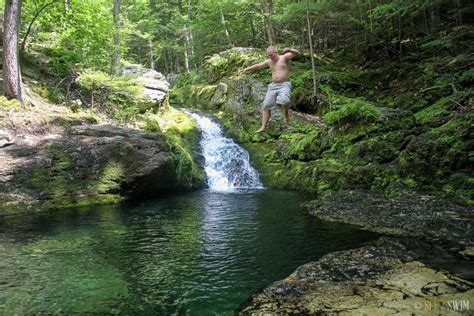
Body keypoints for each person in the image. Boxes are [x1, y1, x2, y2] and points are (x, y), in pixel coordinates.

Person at [239, 46, 299, 133]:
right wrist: (245, 69)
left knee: (284, 100)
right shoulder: (269, 61)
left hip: (284, 85)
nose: (271, 57)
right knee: (266, 106)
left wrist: (289, 49)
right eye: (269, 55)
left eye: (272, 55)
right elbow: (257, 66)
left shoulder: (284, 57)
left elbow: (296, 53)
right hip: (273, 86)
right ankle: (263, 126)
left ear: (276, 52)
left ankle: (286, 115)